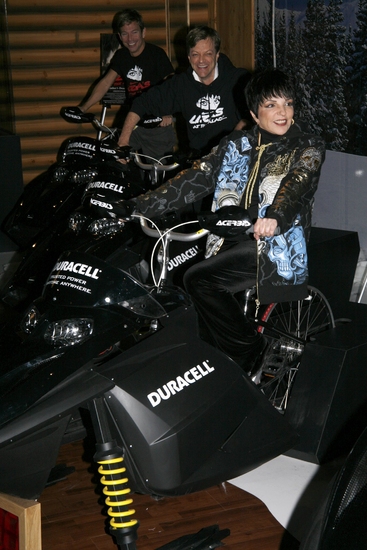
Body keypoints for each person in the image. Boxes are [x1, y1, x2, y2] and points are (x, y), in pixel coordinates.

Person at [117, 68, 326, 373]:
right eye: (271, 105)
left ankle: (253, 350)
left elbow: (297, 184)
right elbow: (192, 179)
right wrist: (137, 205)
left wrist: (274, 217)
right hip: (228, 237)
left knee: (198, 280)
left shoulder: (307, 146)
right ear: (254, 113)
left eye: (288, 103)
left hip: (277, 243)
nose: (283, 113)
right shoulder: (235, 145)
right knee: (196, 315)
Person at [117, 26, 250, 159]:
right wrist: (123, 142)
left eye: (208, 54)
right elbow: (141, 104)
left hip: (236, 155)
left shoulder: (238, 80)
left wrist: (231, 143)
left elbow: (255, 113)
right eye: (195, 54)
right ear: (188, 57)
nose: (201, 60)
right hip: (199, 161)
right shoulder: (180, 85)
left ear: (217, 55)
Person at [68, 9, 176, 159]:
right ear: (119, 36)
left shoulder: (156, 54)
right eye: (125, 34)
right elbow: (105, 83)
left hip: (157, 126)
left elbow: (173, 85)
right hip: (133, 124)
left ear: (143, 32)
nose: (130, 38)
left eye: (134, 32)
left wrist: (168, 113)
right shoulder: (121, 56)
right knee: (114, 158)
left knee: (158, 175)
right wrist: (83, 107)